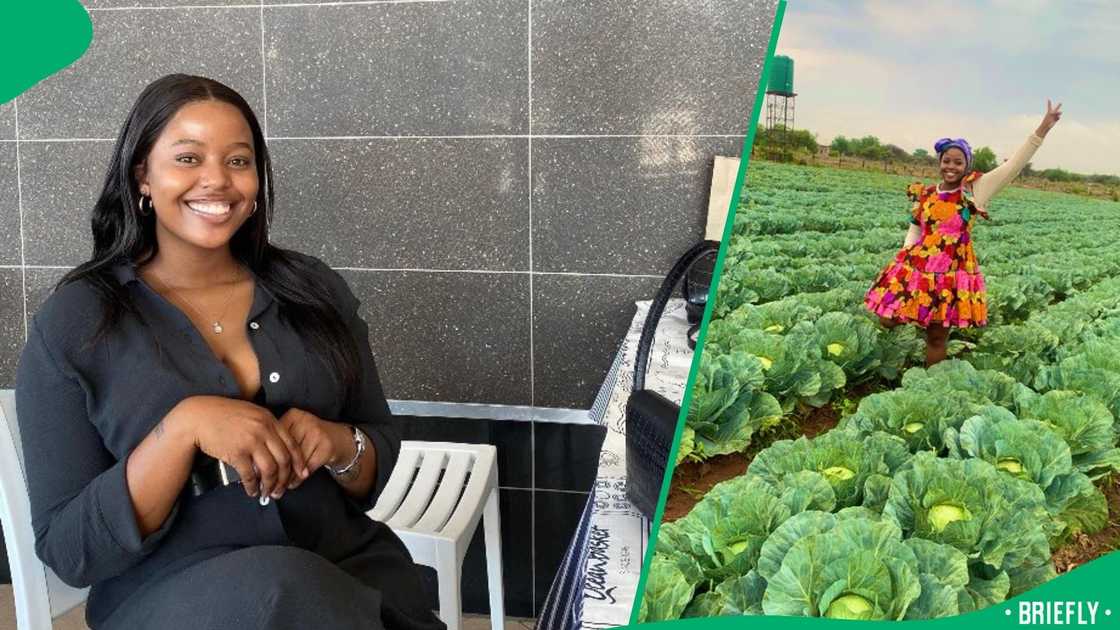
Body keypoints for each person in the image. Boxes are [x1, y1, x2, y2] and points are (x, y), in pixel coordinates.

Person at [15, 74, 446, 630]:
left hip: (347, 572)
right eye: (188, 158)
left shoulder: (313, 290)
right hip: (173, 596)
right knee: (283, 588)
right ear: (143, 174)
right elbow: (70, 550)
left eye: (238, 161)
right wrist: (183, 429)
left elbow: (374, 461)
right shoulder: (78, 319)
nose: (217, 179)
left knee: (313, 592)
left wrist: (338, 443)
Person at [864, 100, 1063, 366]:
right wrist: (904, 262)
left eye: (958, 162)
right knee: (887, 317)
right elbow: (915, 229)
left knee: (936, 337)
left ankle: (931, 381)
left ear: (966, 165)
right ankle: (910, 322)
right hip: (919, 268)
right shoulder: (926, 194)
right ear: (940, 162)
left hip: (952, 274)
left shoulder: (974, 191)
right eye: (947, 161)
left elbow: (1013, 166)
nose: (951, 166)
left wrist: (1043, 128)